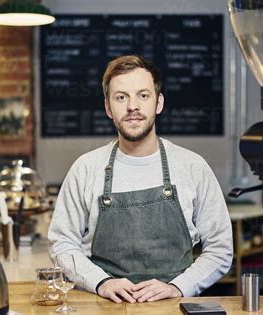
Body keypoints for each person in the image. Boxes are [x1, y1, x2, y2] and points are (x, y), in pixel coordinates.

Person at [48, 55, 233, 304]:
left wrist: (179, 287)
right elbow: (62, 243)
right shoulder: (85, 168)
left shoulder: (192, 166)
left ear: (159, 103)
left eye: (143, 95)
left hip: (174, 306)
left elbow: (220, 249)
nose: (132, 106)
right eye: (121, 97)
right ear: (107, 107)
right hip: (103, 306)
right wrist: (101, 282)